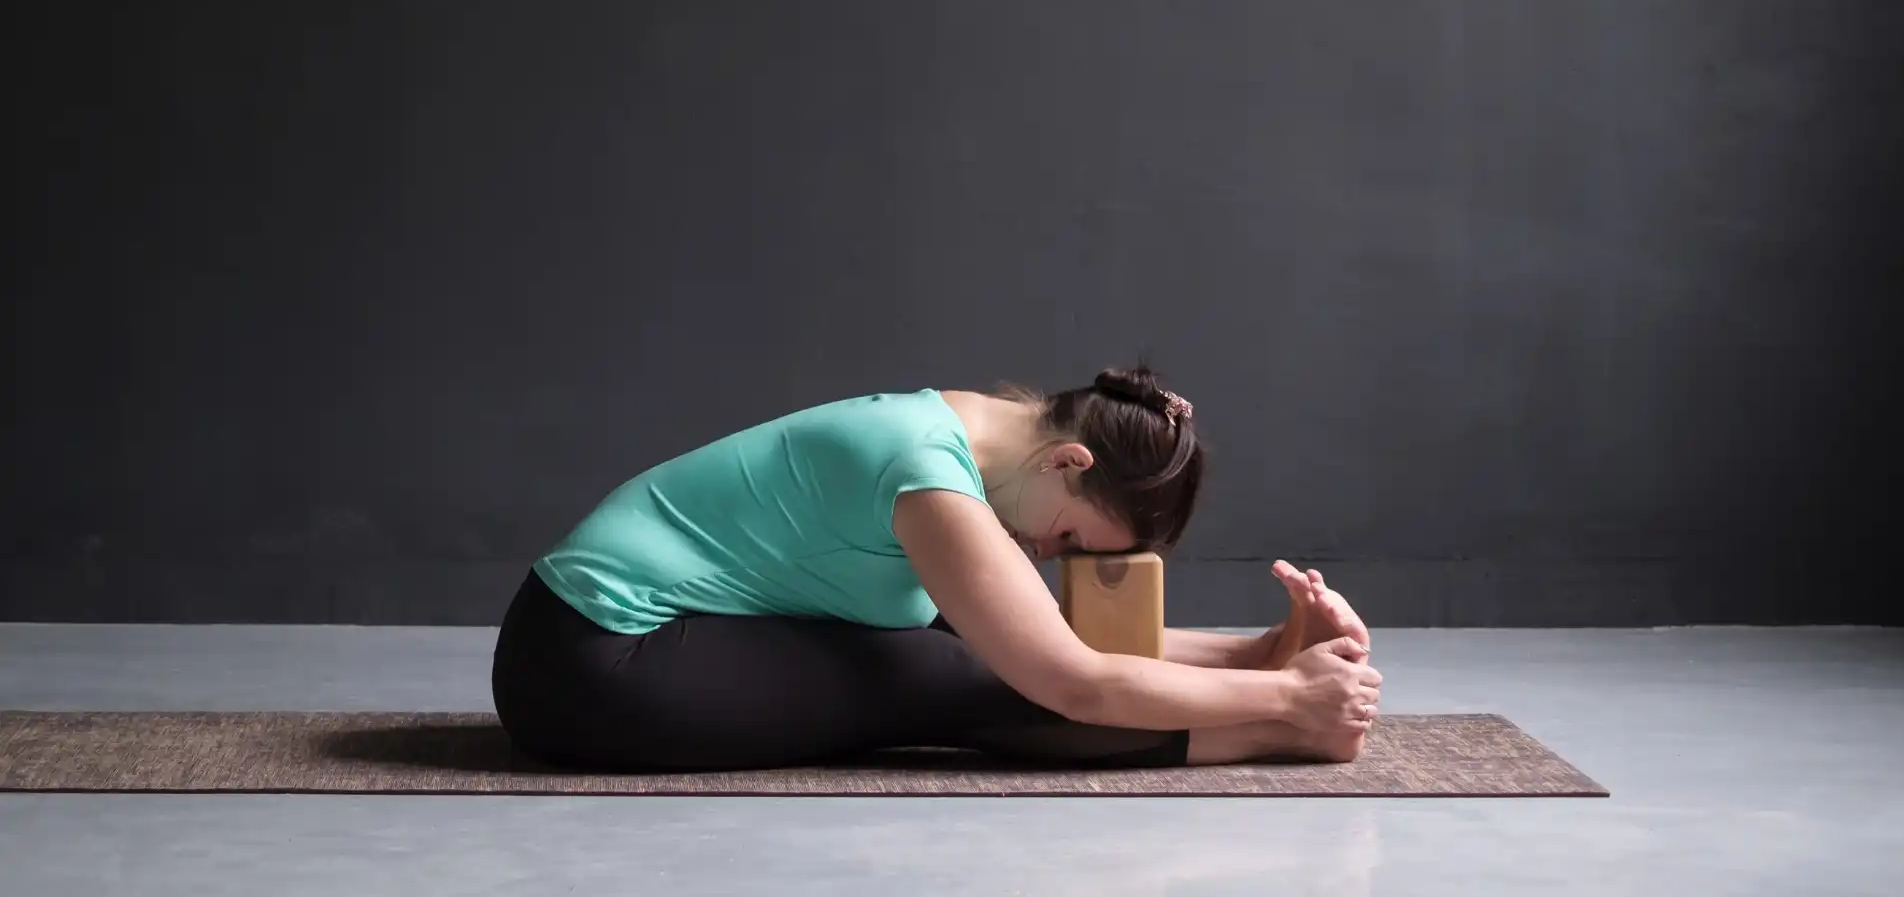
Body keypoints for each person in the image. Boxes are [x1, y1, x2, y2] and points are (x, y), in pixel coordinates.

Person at [490, 364, 1383, 772]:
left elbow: (1045, 636)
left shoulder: (976, 435)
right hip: (590, 661)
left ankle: (1269, 696)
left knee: (972, 646)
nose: (1054, 556)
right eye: (1073, 539)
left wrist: (1256, 651)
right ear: (1068, 464)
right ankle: (1289, 725)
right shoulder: (927, 477)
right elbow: (1069, 678)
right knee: (943, 674)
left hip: (616, 641)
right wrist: (1289, 699)